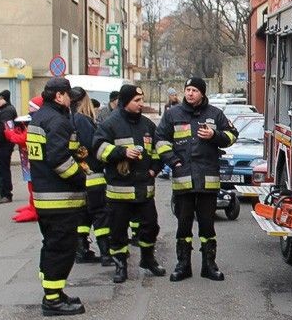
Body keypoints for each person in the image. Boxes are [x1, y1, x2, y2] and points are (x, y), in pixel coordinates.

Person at [156, 77, 237, 282]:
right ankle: (183, 265)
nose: (190, 93)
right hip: (183, 180)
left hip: (208, 181)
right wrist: (173, 161)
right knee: (183, 224)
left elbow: (232, 135)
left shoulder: (215, 114)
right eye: (187, 89)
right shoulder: (172, 114)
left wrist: (215, 135)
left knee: (207, 225)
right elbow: (160, 140)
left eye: (194, 90)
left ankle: (209, 265)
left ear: (202, 93)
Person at [93, 85, 166, 282]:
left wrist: (154, 169)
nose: (141, 104)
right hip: (119, 193)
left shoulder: (148, 126)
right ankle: (120, 265)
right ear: (125, 102)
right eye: (137, 101)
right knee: (118, 231)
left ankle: (148, 259)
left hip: (144, 190)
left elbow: (159, 150)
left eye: (142, 100)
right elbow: (98, 150)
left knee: (150, 227)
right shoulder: (110, 125)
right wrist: (122, 152)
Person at [29, 77, 86, 316]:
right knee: (62, 247)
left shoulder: (39, 118)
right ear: (59, 96)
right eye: (67, 95)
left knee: (51, 244)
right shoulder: (57, 121)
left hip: (44, 195)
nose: (70, 99)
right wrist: (80, 176)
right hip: (59, 198)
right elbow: (58, 159)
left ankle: (53, 291)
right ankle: (52, 299)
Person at [70, 87, 104, 264]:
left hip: (78, 174)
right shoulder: (83, 120)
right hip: (91, 173)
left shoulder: (69, 119)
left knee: (83, 216)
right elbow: (93, 145)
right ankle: (106, 252)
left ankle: (81, 249)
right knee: (100, 214)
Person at [0, 89, 17, 203]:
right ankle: (5, 192)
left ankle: (6, 194)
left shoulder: (6, 111)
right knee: (2, 170)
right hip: (4, 145)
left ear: (5, 99)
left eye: (0, 99)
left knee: (3, 170)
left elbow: (6, 129)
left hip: (3, 146)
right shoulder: (3, 110)